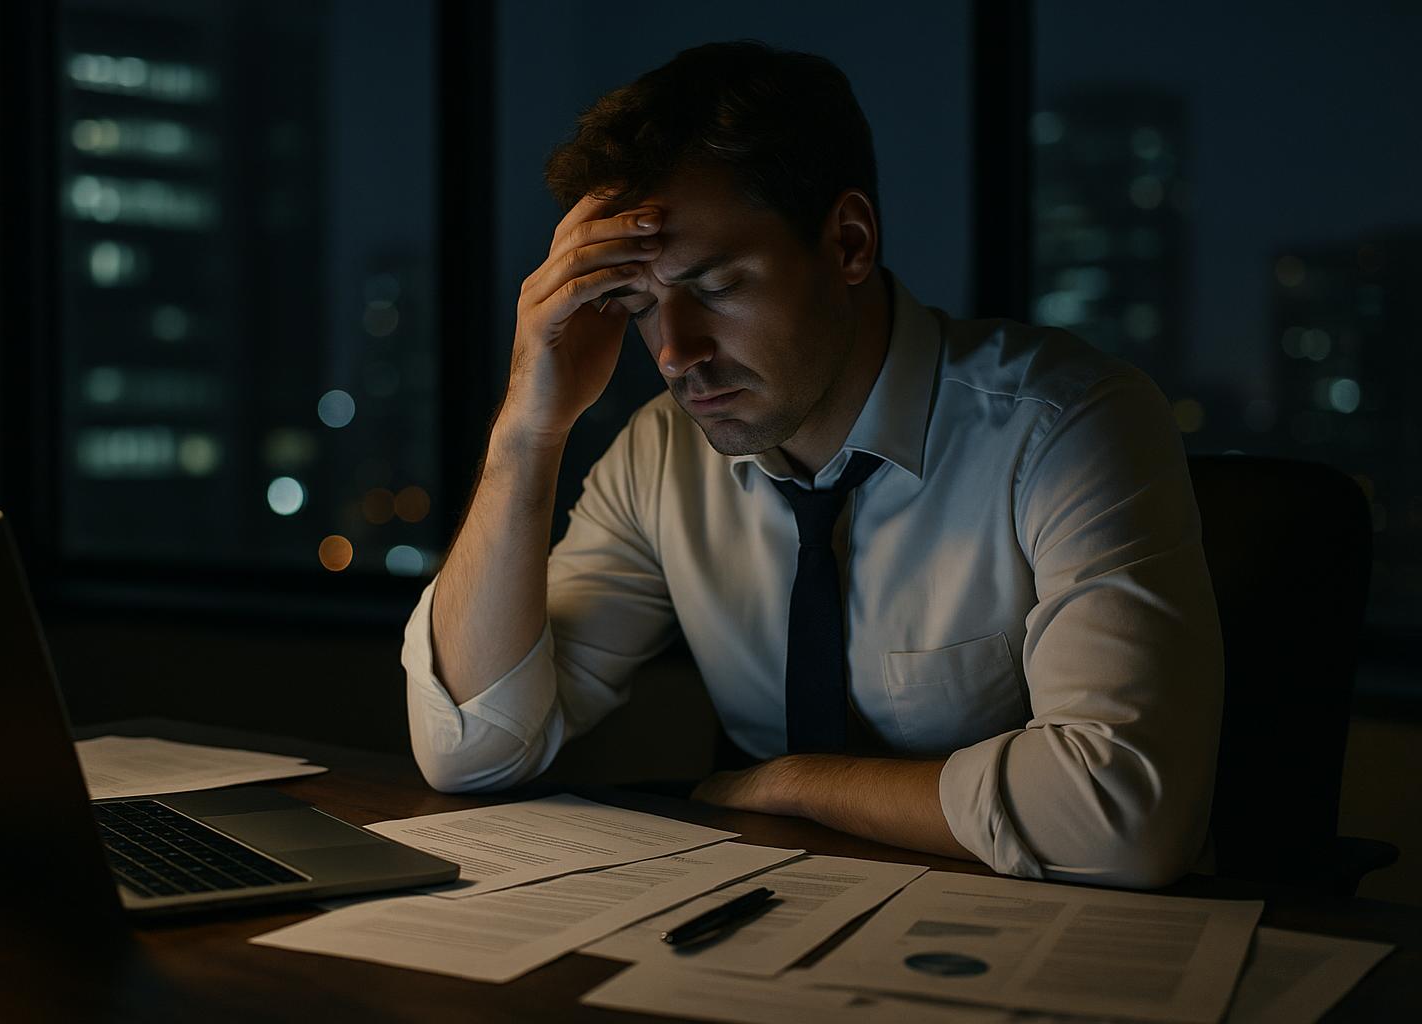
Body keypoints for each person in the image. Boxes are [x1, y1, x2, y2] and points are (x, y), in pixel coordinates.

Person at [402, 41, 1222, 889]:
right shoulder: (658, 456)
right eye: (642, 306)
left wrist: (793, 782)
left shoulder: (1065, 427)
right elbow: (474, 751)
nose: (676, 353)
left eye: (717, 286)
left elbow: (1125, 817)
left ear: (849, 242)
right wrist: (526, 433)